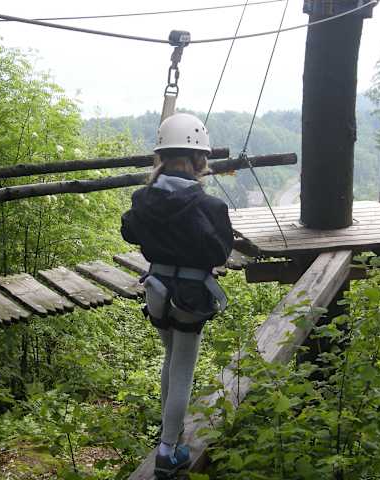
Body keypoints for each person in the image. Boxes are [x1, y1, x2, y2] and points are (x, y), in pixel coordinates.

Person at [121, 113, 234, 478]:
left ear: (162, 156)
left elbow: (129, 232)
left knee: (170, 358)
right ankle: (168, 451)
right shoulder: (209, 207)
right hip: (190, 295)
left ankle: (169, 434)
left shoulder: (144, 198)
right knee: (182, 367)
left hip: (156, 288)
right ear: (200, 159)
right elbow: (220, 254)